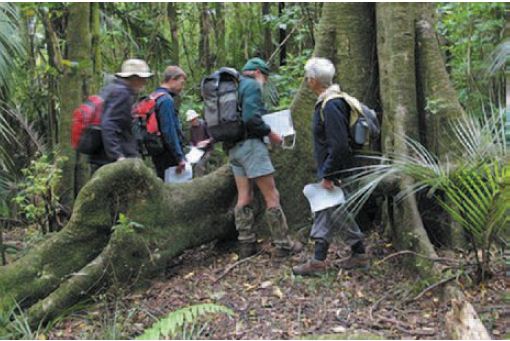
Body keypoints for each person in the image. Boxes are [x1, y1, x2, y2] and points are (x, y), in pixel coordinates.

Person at [292, 57, 367, 276]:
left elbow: (340, 145)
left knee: (333, 210)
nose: (307, 81)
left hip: (337, 171)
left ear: (314, 80)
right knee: (330, 210)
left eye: (308, 77)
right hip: (333, 170)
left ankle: (321, 260)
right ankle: (351, 254)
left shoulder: (332, 104)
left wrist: (329, 174)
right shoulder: (330, 101)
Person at [230, 57, 302, 258]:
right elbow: (251, 119)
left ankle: (246, 244)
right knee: (272, 195)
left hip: (233, 149)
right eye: (266, 78)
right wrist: (271, 134)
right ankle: (283, 244)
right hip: (252, 147)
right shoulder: (251, 85)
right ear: (258, 73)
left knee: (244, 196)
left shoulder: (231, 86)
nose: (265, 83)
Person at [90, 59, 152, 173]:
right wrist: (118, 156)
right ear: (134, 78)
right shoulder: (122, 93)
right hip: (117, 156)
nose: (145, 82)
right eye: (143, 78)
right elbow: (109, 124)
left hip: (103, 154)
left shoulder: (112, 88)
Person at [151, 66, 187, 180]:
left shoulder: (154, 96)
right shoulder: (166, 100)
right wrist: (179, 157)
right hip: (168, 154)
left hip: (157, 150)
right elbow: (169, 131)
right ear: (172, 80)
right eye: (181, 83)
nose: (182, 87)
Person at [186, 109, 213, 177]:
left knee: (199, 166)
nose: (192, 122)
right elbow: (191, 141)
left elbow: (212, 138)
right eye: (190, 121)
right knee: (190, 165)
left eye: (193, 120)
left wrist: (205, 142)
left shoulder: (204, 124)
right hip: (197, 152)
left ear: (196, 118)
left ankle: (200, 180)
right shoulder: (191, 129)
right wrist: (192, 146)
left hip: (207, 150)